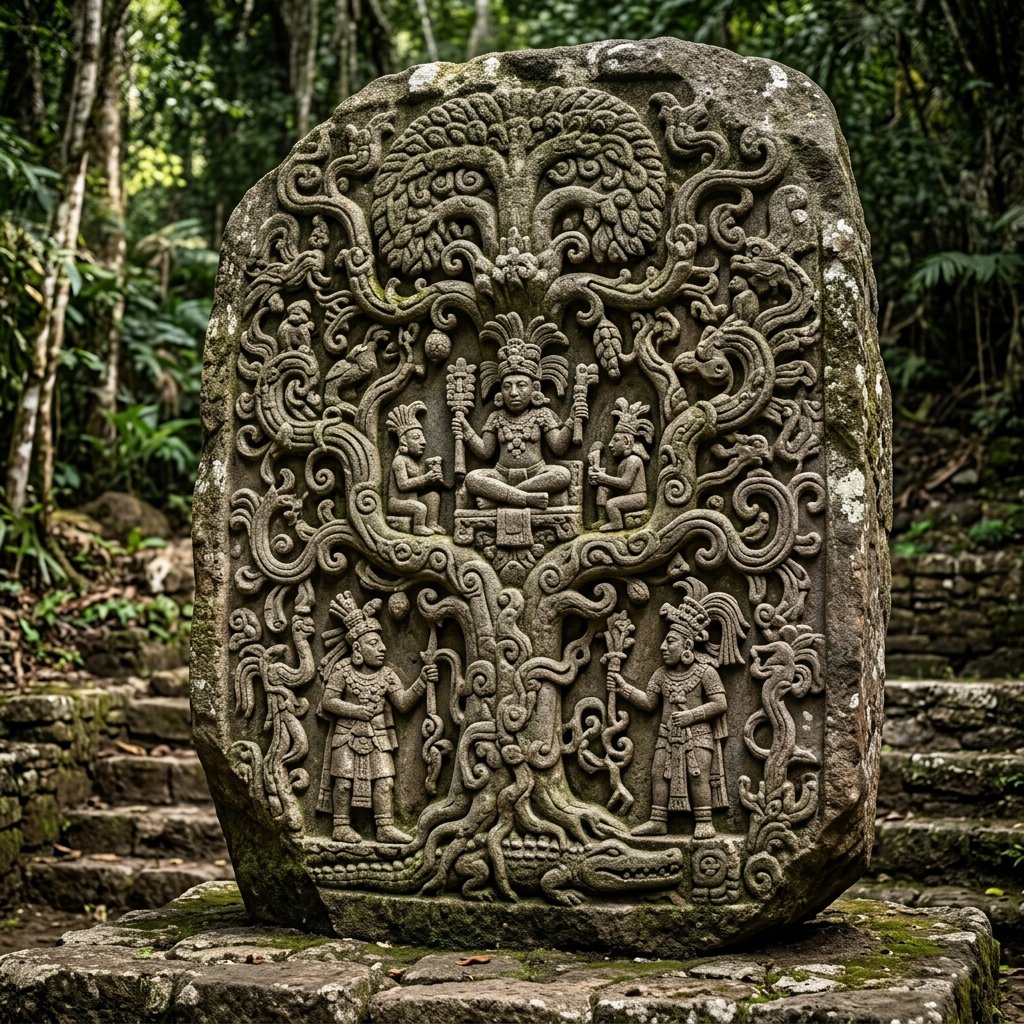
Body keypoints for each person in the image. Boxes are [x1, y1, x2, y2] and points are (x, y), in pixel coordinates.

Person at [610, 592, 734, 840]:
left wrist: (691, 715)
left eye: (670, 642)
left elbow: (720, 703)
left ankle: (704, 820)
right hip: (666, 736)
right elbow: (648, 703)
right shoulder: (660, 675)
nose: (662, 647)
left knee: (697, 776)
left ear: (687, 646)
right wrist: (623, 687)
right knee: (658, 775)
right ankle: (658, 821)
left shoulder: (705, 672)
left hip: (697, 735)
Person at [316, 592, 434, 844]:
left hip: (378, 735)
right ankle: (341, 825)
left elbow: (402, 703)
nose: (382, 648)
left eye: (382, 643)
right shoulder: (343, 670)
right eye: (373, 643)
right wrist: (356, 710)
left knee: (384, 783)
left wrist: (422, 682)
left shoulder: (388, 675)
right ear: (357, 648)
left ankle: (385, 826)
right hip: (346, 735)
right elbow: (328, 702)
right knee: (344, 782)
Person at [453, 314, 583, 510]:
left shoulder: (542, 414)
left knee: (561, 475)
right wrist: (466, 430)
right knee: (472, 478)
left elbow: (557, 447)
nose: (513, 393)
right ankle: (525, 498)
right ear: (500, 390)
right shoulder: (496, 417)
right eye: (507, 386)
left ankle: (500, 498)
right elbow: (485, 452)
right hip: (501, 475)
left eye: (521, 385)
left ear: (534, 387)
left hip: (535, 475)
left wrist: (572, 419)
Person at [588, 398, 653, 530]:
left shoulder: (634, 460)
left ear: (627, 442)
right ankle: (602, 519)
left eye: (615, 440)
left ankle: (616, 523)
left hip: (637, 498)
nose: (610, 444)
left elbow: (625, 483)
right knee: (603, 488)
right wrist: (600, 478)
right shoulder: (624, 461)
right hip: (626, 495)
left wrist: (604, 478)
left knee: (612, 503)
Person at [386, 402, 445, 535]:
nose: (423, 441)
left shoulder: (414, 462)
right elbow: (403, 485)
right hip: (397, 502)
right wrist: (426, 478)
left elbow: (421, 485)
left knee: (433, 496)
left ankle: (432, 524)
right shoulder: (399, 461)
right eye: (416, 438)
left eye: (422, 437)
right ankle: (418, 527)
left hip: (412, 499)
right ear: (404, 441)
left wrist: (434, 475)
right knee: (420, 508)